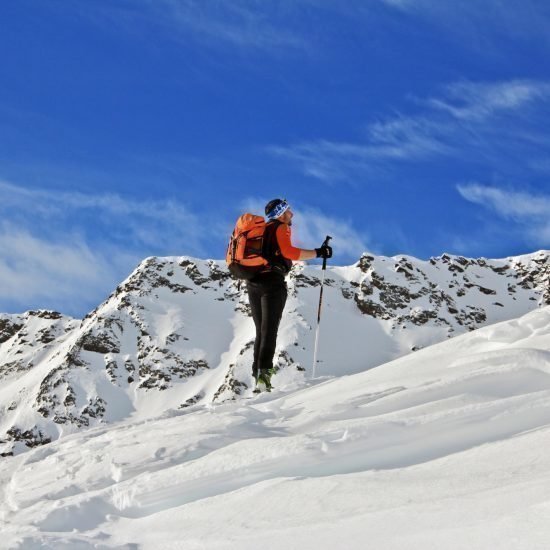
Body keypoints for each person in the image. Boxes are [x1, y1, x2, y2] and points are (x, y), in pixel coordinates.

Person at [247, 198, 332, 392]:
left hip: (253, 282)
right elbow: (289, 252)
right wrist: (319, 252)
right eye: (288, 211)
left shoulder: (260, 231)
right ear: (280, 214)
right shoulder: (281, 227)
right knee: (270, 330)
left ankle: (258, 378)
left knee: (261, 331)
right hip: (272, 282)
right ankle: (264, 377)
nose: (291, 214)